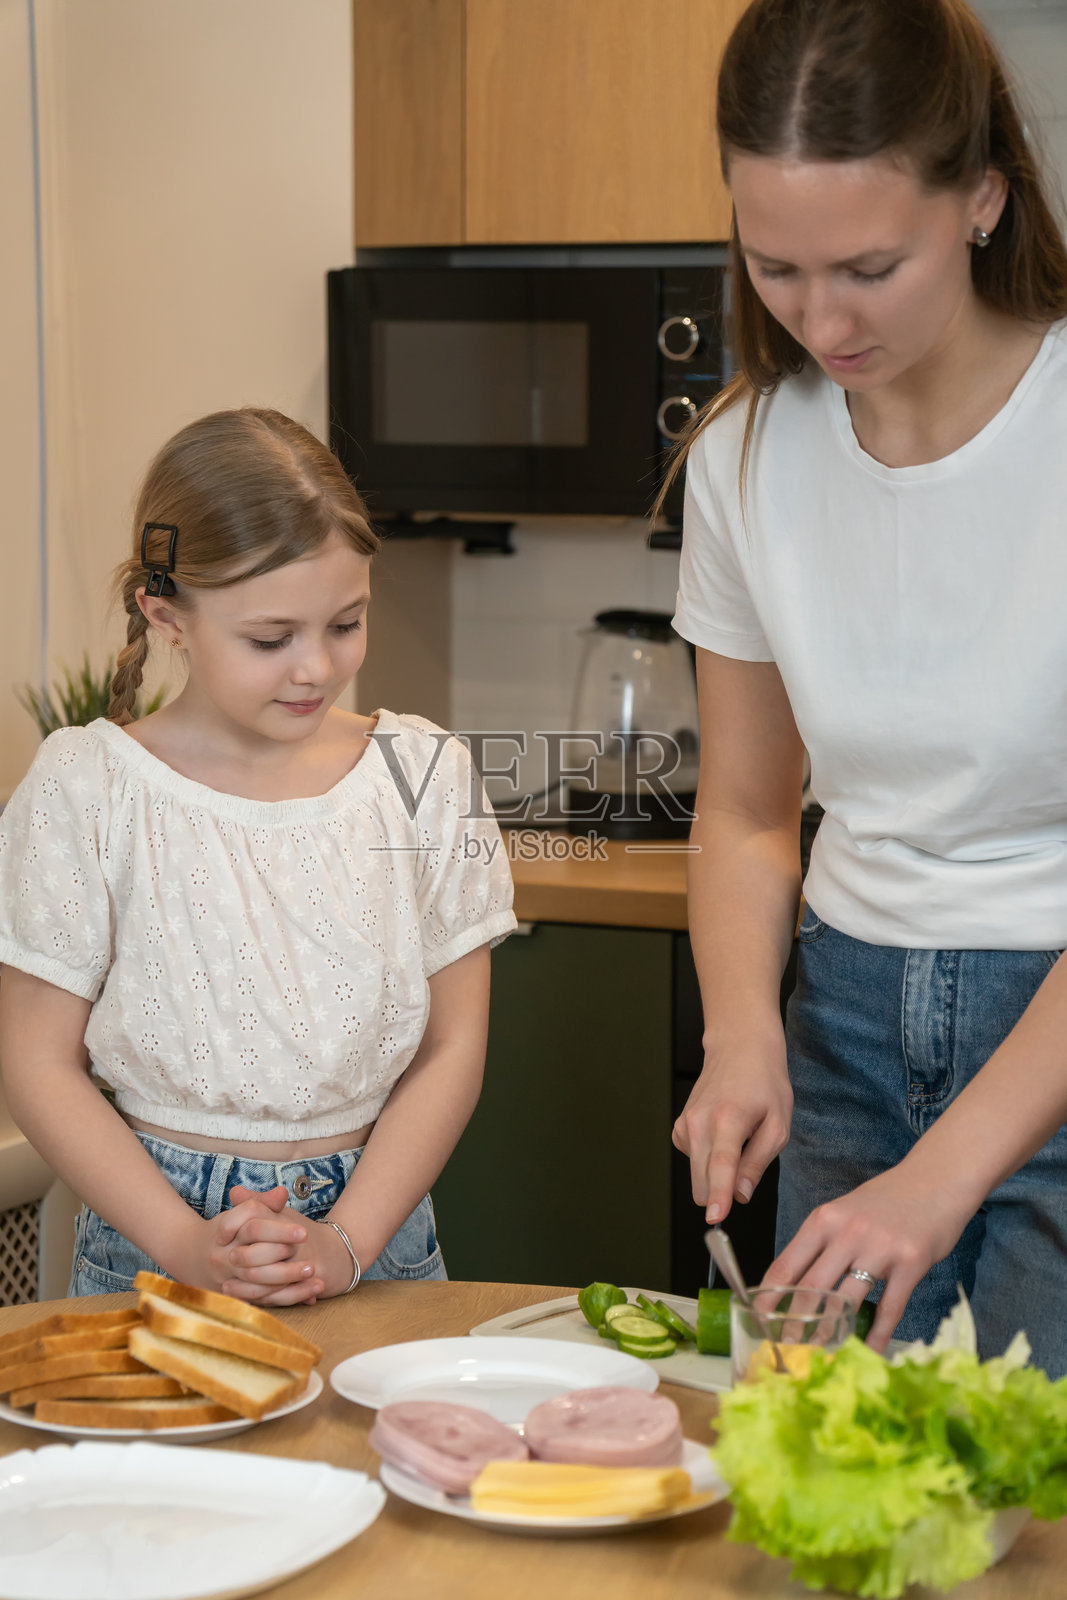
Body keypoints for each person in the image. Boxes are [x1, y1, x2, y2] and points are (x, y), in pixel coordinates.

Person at [669, 0, 1067, 1373]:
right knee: (828, 1508)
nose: (818, 318)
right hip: (838, 1017)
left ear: (978, 199)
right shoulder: (743, 459)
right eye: (772, 265)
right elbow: (740, 813)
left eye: (865, 266)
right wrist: (739, 1041)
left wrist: (945, 1168)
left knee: (1034, 1516)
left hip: (1052, 1018)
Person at [0, 407, 515, 1304]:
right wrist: (182, 1242)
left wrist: (347, 1240)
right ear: (166, 616)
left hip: (378, 1229)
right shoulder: (88, 785)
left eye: (345, 623)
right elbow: (37, 1062)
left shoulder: (423, 773)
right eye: (271, 640)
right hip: (150, 1237)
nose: (316, 667)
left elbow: (454, 1043)